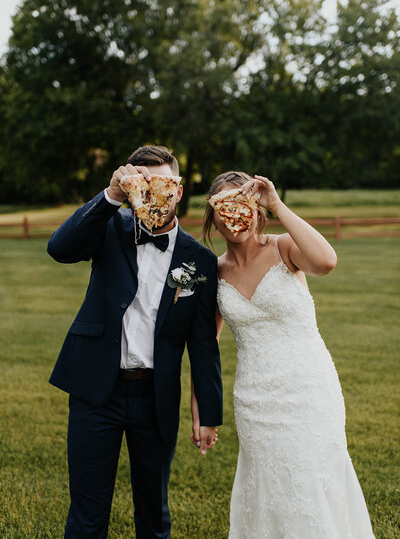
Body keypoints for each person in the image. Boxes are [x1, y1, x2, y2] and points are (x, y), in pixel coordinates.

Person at [47, 145, 223, 539]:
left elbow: (203, 342)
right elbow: (59, 248)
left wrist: (207, 411)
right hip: (95, 392)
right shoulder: (109, 226)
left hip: (155, 397)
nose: (154, 195)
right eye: (144, 186)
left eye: (162, 185)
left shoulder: (199, 260)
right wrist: (111, 194)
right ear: (132, 191)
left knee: (153, 513)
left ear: (178, 191)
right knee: (87, 514)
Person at [198, 170, 376, 538]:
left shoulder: (283, 247)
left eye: (243, 203)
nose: (235, 215)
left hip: (309, 390)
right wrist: (202, 413)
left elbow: (326, 261)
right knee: (268, 487)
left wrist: (277, 203)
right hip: (254, 400)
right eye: (224, 207)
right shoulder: (214, 273)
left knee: (312, 480)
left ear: (257, 208)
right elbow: (206, 346)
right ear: (213, 216)